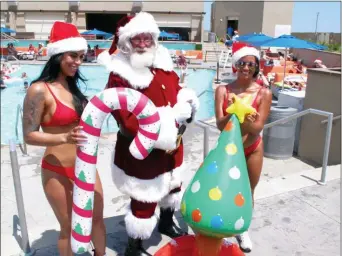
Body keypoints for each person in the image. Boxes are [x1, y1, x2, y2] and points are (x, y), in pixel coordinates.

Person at [98, 12, 199, 256]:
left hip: (171, 145)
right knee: (143, 197)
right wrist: (170, 121)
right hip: (142, 149)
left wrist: (187, 104)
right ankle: (134, 245)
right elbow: (127, 120)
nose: (143, 44)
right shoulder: (119, 74)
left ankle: (165, 222)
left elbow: (177, 89)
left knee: (172, 186)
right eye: (137, 39)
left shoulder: (162, 64)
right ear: (126, 42)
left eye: (147, 38)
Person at [22, 21, 107, 256]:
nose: (78, 62)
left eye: (81, 56)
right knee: (69, 227)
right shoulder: (39, 90)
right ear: (58, 55)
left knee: (97, 220)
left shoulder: (74, 89)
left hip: (86, 165)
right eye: (73, 56)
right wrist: (64, 137)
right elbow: (28, 135)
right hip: (56, 170)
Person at [214, 46, 272, 253]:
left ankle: (242, 228)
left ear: (256, 67)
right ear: (235, 65)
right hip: (228, 149)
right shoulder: (223, 90)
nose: (245, 67)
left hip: (252, 149)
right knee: (223, 190)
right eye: (241, 63)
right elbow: (220, 125)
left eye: (250, 64)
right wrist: (235, 113)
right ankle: (220, 225)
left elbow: (257, 128)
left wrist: (241, 116)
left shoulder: (264, 93)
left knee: (248, 192)